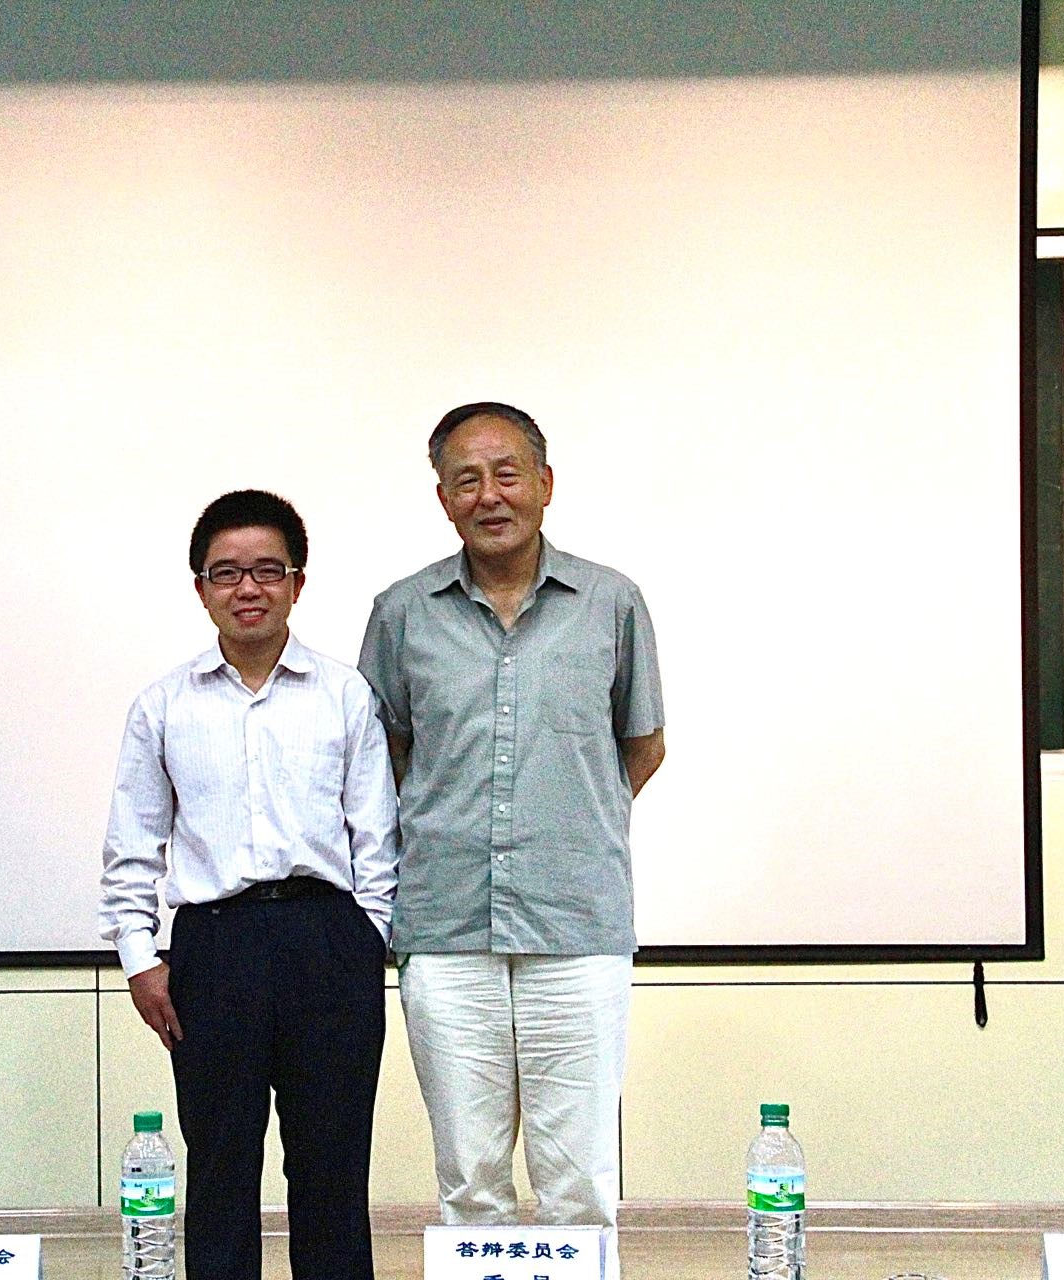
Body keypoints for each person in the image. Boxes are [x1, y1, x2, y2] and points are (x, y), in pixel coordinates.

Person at [357, 402, 665, 1241]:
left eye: (507, 474)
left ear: (545, 483)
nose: (489, 496)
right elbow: (382, 756)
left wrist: (567, 822)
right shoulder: (401, 612)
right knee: (470, 1180)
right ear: (443, 499)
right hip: (445, 923)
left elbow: (641, 745)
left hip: (577, 923)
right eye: (466, 480)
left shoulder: (611, 602)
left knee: (580, 1178)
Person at [100, 489, 399, 1280]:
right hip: (214, 948)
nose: (248, 588)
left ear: (297, 583)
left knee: (332, 1166)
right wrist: (139, 958)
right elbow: (132, 847)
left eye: (268, 569)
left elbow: (377, 836)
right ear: (200, 589)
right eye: (226, 572)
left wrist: (365, 938)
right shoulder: (162, 706)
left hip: (327, 938)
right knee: (220, 1166)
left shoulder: (344, 695)